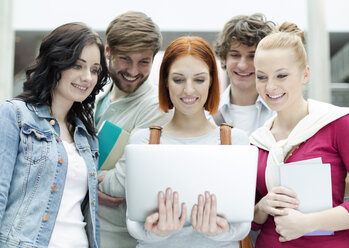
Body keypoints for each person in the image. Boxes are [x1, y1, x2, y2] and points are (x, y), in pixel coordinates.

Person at [119, 36, 251, 248]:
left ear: (211, 82)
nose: (188, 90)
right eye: (178, 80)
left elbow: (243, 225)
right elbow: (133, 224)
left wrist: (217, 233)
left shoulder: (236, 141)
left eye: (199, 80)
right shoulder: (143, 141)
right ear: (165, 82)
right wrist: (158, 233)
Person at [250, 22, 349, 247]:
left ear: (305, 74)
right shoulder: (257, 141)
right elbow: (251, 220)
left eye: (281, 75)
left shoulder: (337, 123)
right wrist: (260, 208)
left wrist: (309, 223)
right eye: (261, 77)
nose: (270, 87)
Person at [0, 22, 108, 248]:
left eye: (94, 69)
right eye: (78, 66)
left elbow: (87, 213)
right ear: (56, 64)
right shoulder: (15, 115)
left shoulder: (87, 136)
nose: (87, 77)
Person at [95, 11, 172, 248]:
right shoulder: (96, 92)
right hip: (81, 228)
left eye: (144, 61)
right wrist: (90, 185)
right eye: (125, 59)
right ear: (108, 51)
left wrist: (77, 179)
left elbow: (120, 184)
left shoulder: (156, 108)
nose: (133, 71)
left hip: (117, 238)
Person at [212, 14, 275, 136]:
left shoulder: (279, 113)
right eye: (235, 55)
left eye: (252, 56)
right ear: (224, 58)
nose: (242, 65)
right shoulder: (206, 114)